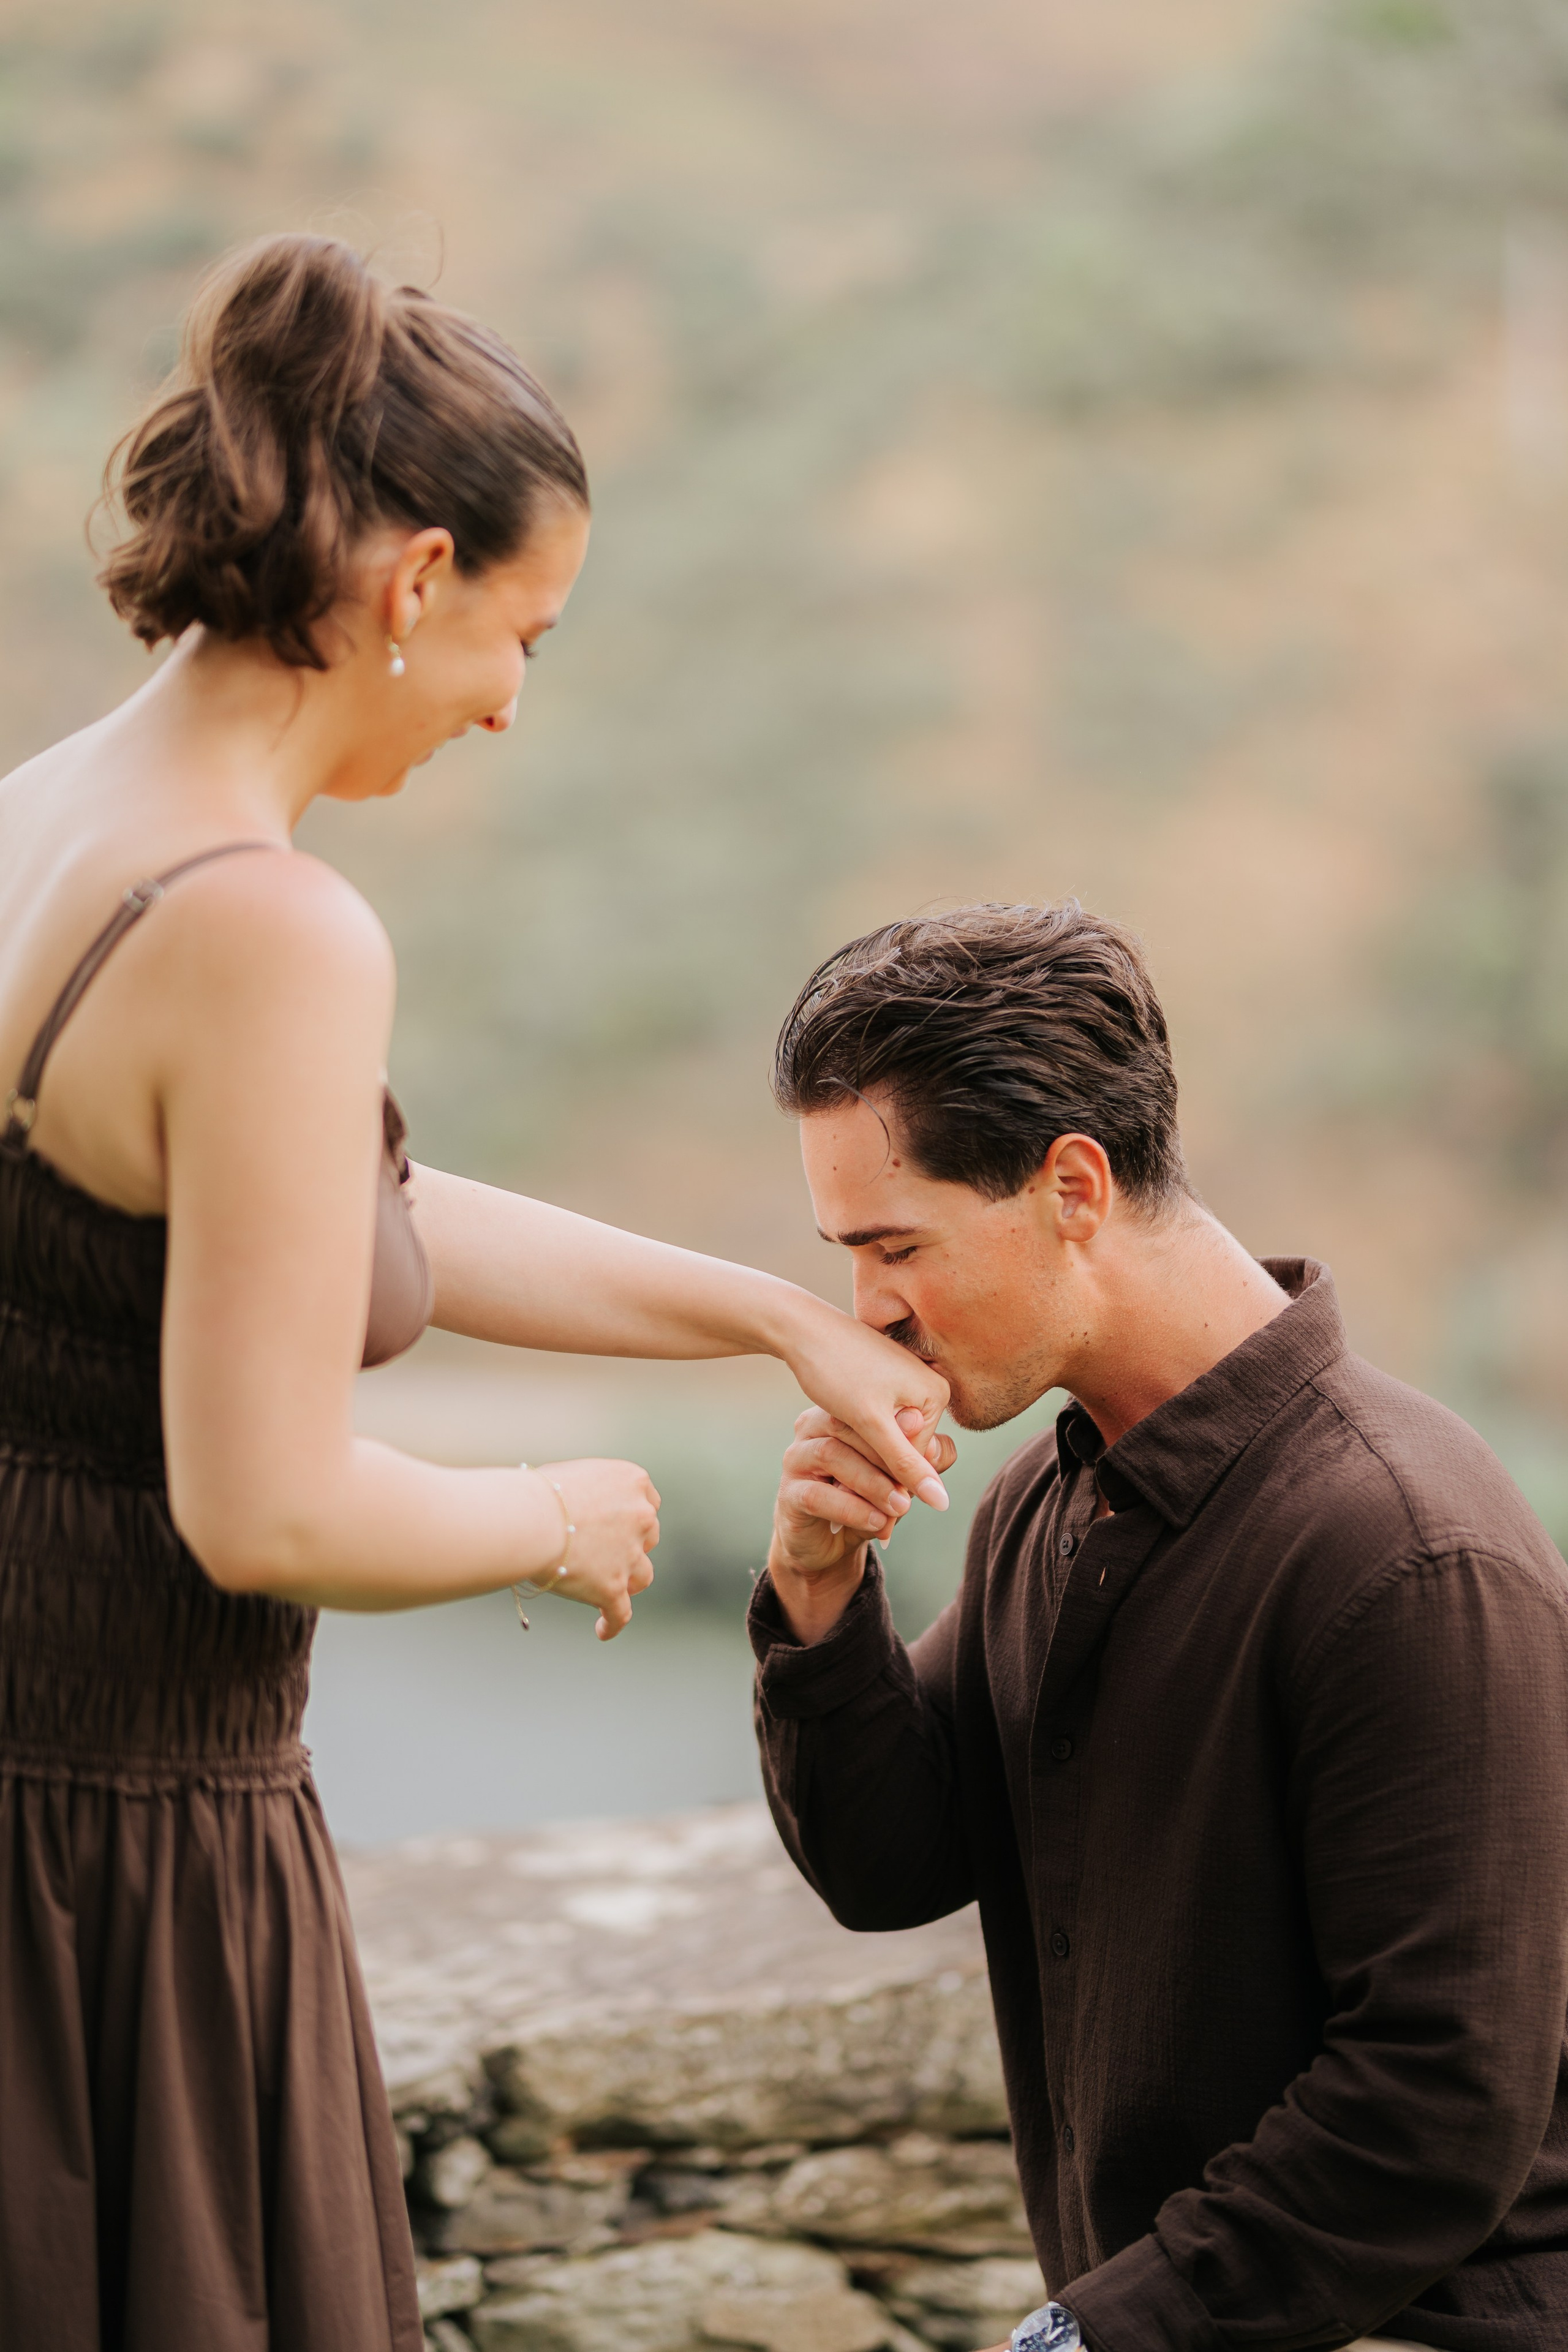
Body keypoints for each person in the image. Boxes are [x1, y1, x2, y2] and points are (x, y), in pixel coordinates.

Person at [0, 234, 949, 2351]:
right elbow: (266, 1511)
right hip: (112, 1858)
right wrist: (565, 1511)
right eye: (525, 631)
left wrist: (771, 1313)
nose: (519, 699)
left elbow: (342, 1198)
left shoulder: (48, 817)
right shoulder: (267, 924)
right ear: (416, 581)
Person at [749, 900, 1568, 2352]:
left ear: (1072, 1186)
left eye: (895, 1248)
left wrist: (1079, 2338)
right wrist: (821, 1592)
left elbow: (1435, 2104)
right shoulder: (1044, 1506)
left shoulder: (1407, 1550)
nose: (865, 1314)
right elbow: (890, 1864)